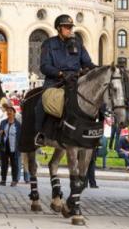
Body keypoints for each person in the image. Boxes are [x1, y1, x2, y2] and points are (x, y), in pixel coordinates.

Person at [35, 14, 95, 144]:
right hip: (55, 81)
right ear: (58, 28)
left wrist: (98, 69)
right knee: (41, 103)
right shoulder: (49, 43)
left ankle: (94, 132)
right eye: (66, 27)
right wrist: (60, 73)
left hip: (76, 81)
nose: (70, 30)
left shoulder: (78, 44)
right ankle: (40, 133)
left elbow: (87, 63)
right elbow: (44, 66)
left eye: (70, 27)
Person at [0, 105, 22, 186]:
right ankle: (3, 180)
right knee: (4, 164)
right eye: (7, 111)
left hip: (14, 147)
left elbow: (20, 136)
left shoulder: (18, 124)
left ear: (14, 113)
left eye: (10, 111)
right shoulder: (3, 122)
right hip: (4, 146)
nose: (8, 112)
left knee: (14, 164)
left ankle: (14, 180)